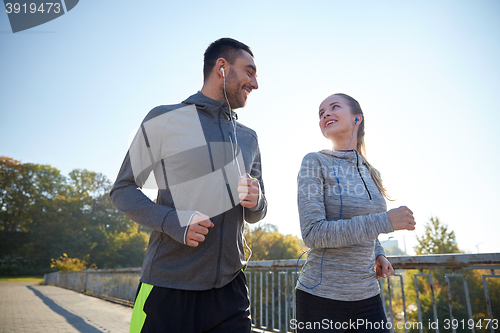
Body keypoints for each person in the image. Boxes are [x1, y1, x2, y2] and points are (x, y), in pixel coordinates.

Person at [110, 38, 267, 333]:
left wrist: (257, 200)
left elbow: (256, 213)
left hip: (230, 293)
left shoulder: (249, 137)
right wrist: (172, 220)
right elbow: (123, 190)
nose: (255, 83)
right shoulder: (166, 119)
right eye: (249, 72)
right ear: (222, 67)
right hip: (168, 288)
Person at [295, 93, 416, 332]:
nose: (325, 114)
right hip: (321, 298)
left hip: (368, 296)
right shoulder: (314, 162)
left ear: (357, 118)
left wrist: (378, 253)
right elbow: (313, 233)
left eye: (334, 107)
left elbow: (365, 226)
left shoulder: (373, 173)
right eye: (321, 113)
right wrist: (385, 221)